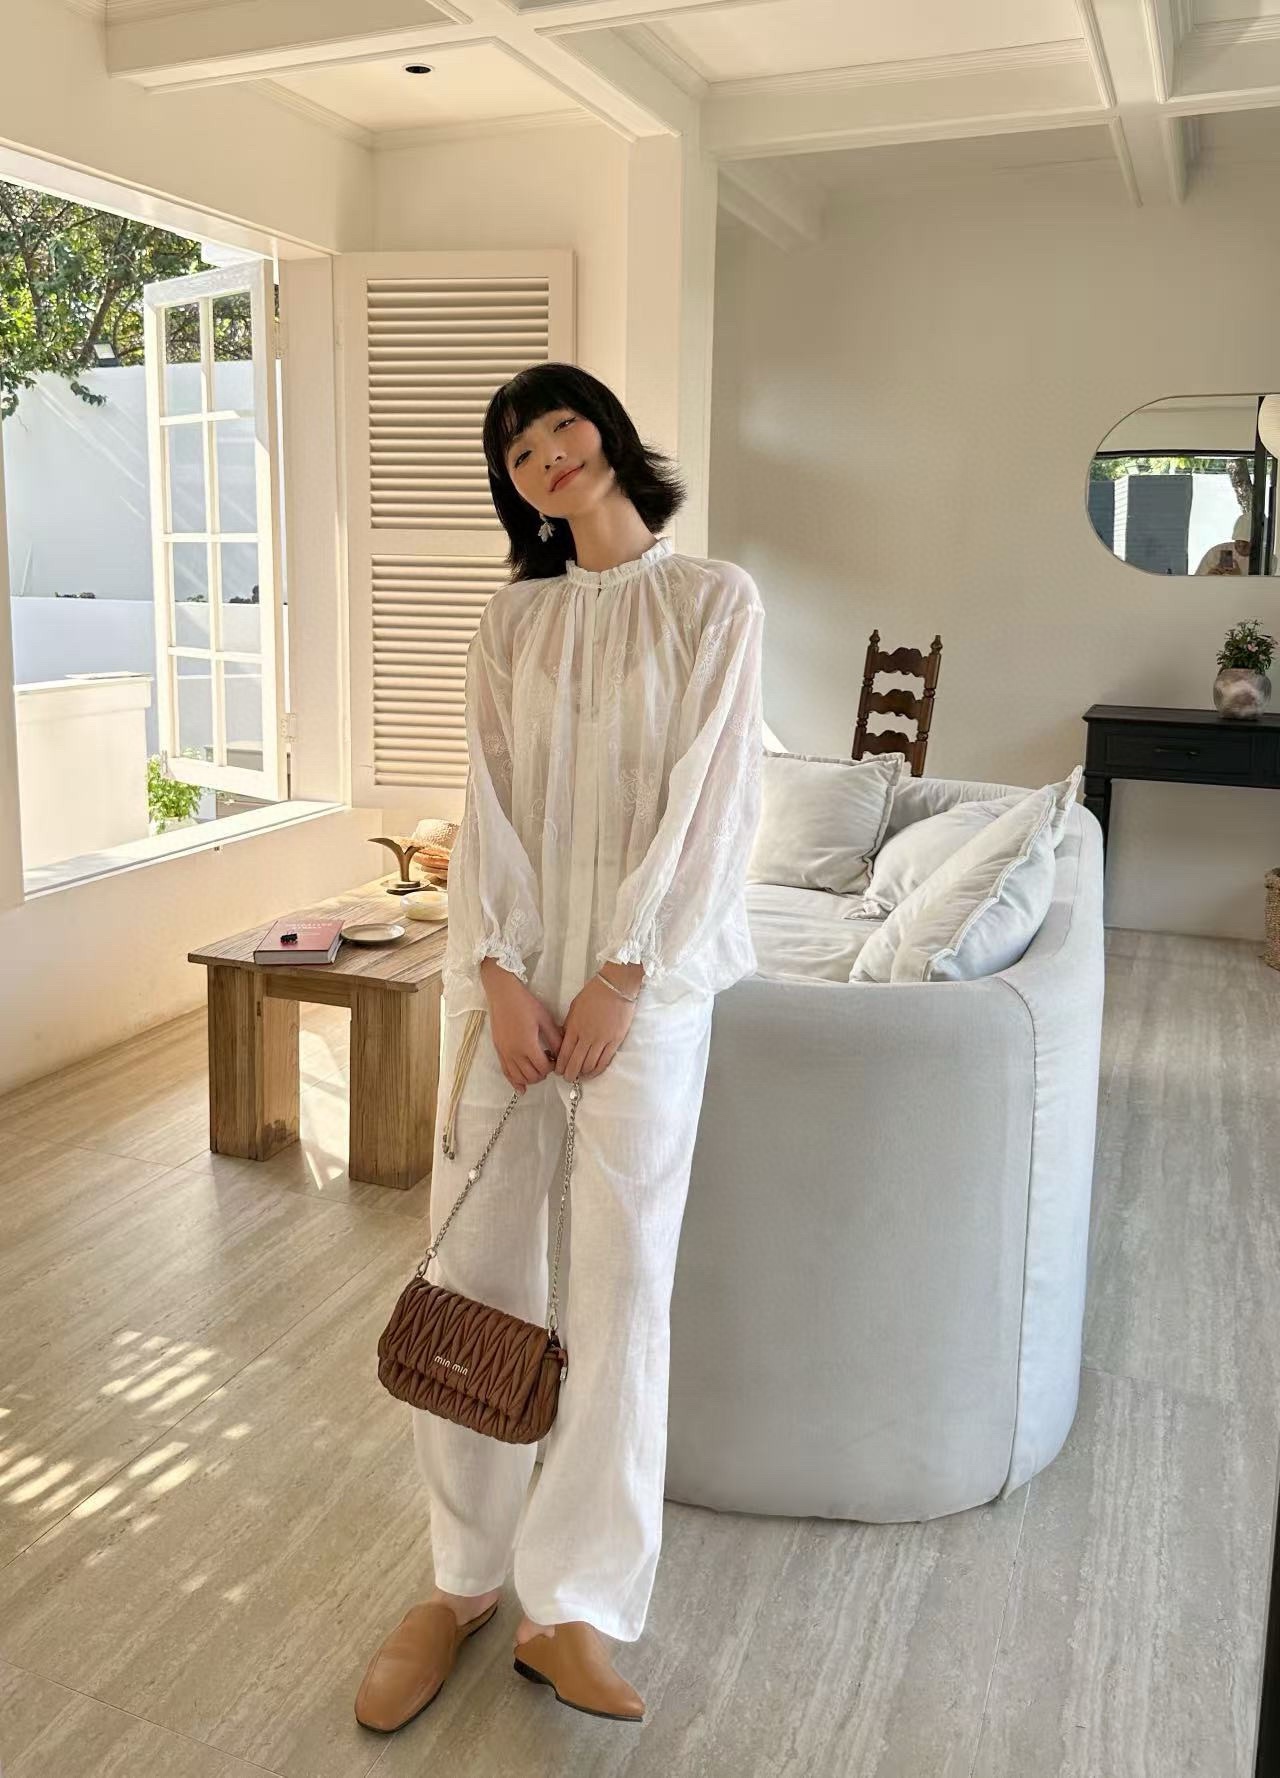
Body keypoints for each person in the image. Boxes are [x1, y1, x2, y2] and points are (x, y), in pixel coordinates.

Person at [354, 363, 765, 1732]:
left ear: (609, 433)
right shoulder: (511, 619)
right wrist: (500, 967)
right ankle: (460, 1580)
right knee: (475, 1273)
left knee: (620, 1287)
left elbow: (715, 800)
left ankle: (568, 1604)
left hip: (645, 1002)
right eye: (519, 450)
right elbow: (488, 800)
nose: (546, 455)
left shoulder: (715, 601)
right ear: (515, 488)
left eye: (560, 425)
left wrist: (624, 970)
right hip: (512, 998)